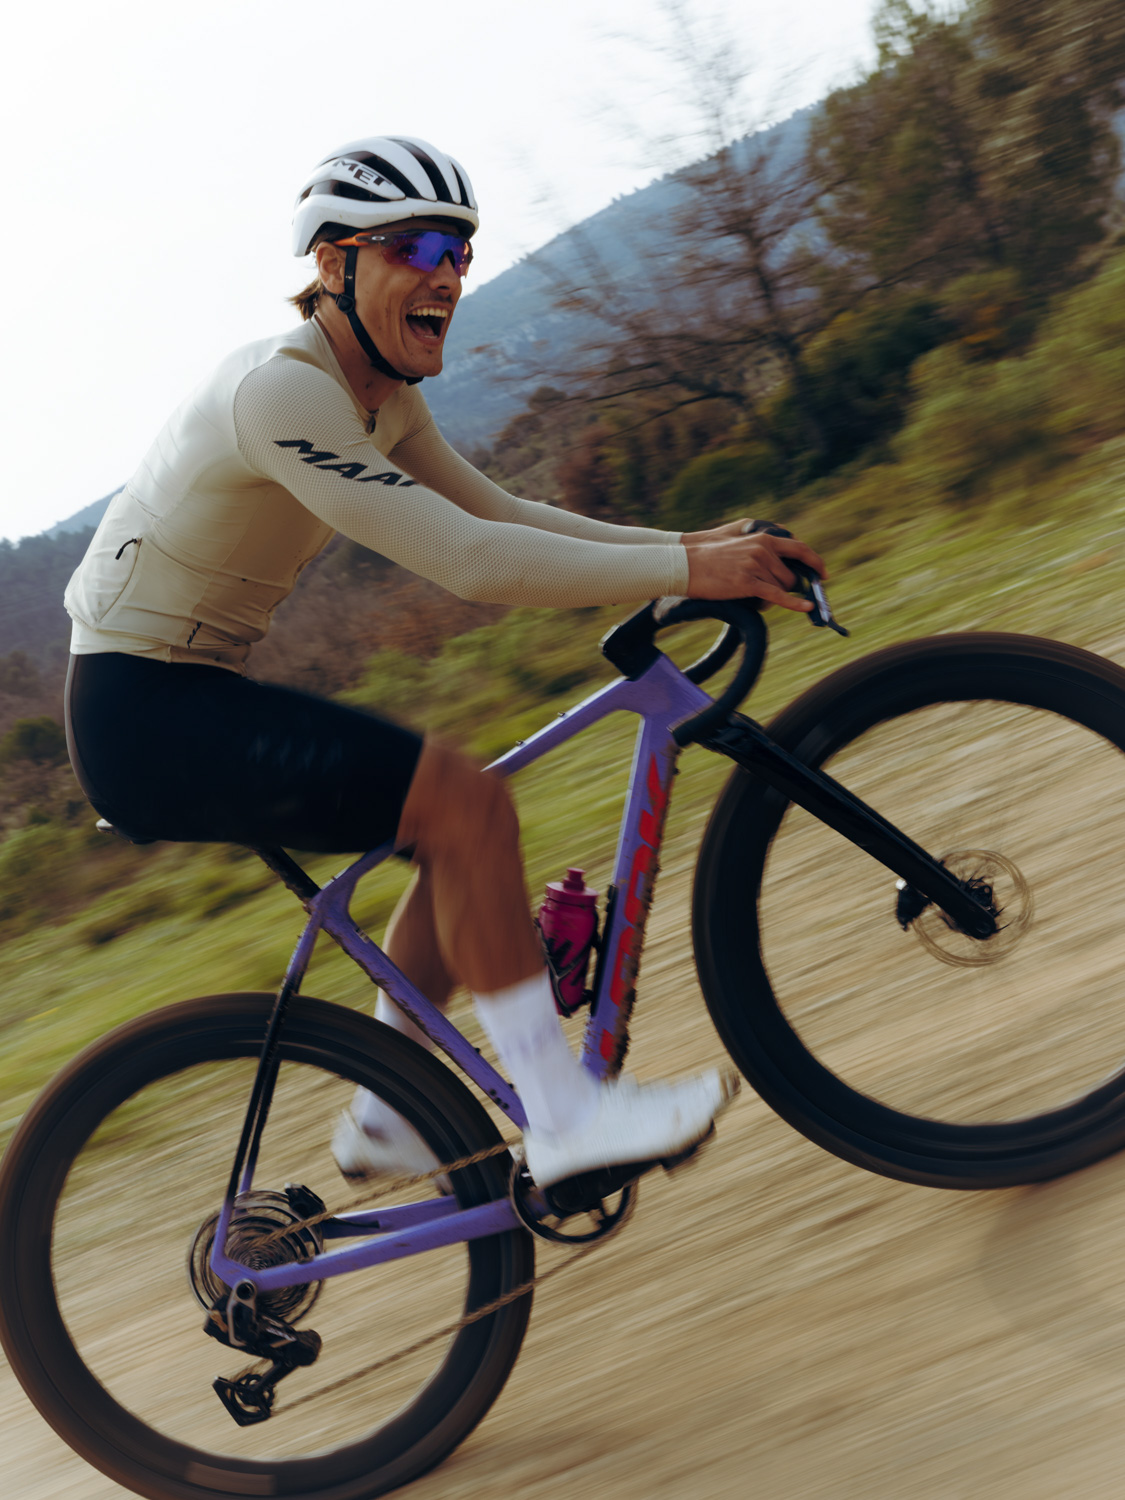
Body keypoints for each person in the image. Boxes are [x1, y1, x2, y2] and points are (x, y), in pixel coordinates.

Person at [63, 135, 825, 1193]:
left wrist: (688, 549)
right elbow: (470, 561)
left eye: (460, 251)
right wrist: (689, 569)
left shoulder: (380, 393)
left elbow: (500, 514)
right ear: (333, 264)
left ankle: (391, 1115)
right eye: (414, 246)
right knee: (462, 807)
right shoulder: (282, 394)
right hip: (142, 713)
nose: (447, 273)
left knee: (459, 810)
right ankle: (563, 1119)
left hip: (188, 690)